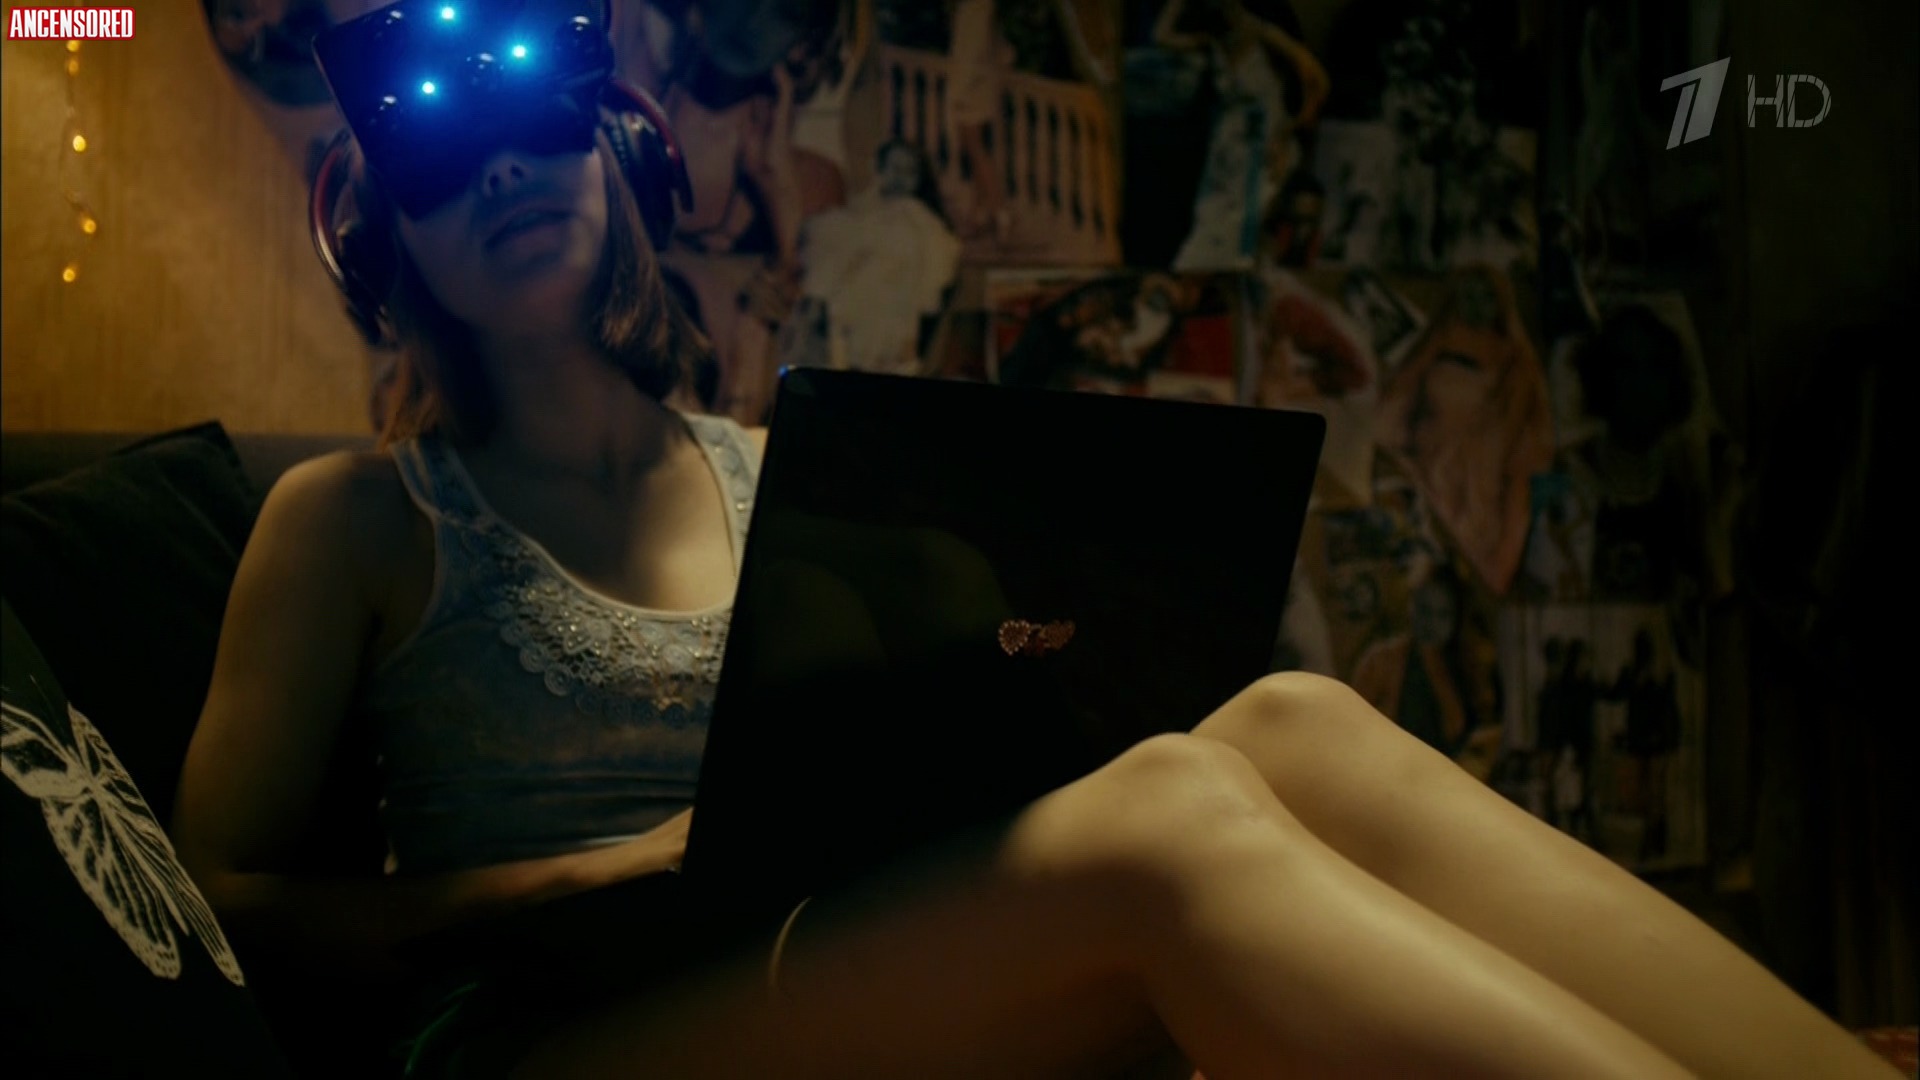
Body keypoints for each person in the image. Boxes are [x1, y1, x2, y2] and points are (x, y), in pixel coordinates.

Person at [168, 26, 1898, 1080]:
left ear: (622, 159)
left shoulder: (784, 467)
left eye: (537, 129)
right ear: (378, 237)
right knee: (1171, 818)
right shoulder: (358, 518)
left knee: (1284, 725)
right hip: (557, 1032)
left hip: (812, 944)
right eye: (443, 159)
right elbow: (209, 908)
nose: (502, 172)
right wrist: (586, 876)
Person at [796, 137, 961, 375]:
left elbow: (933, 268)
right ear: (881, 169)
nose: (900, 177)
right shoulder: (863, 210)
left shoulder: (919, 220)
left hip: (897, 301)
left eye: (909, 171)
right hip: (858, 303)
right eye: (894, 168)